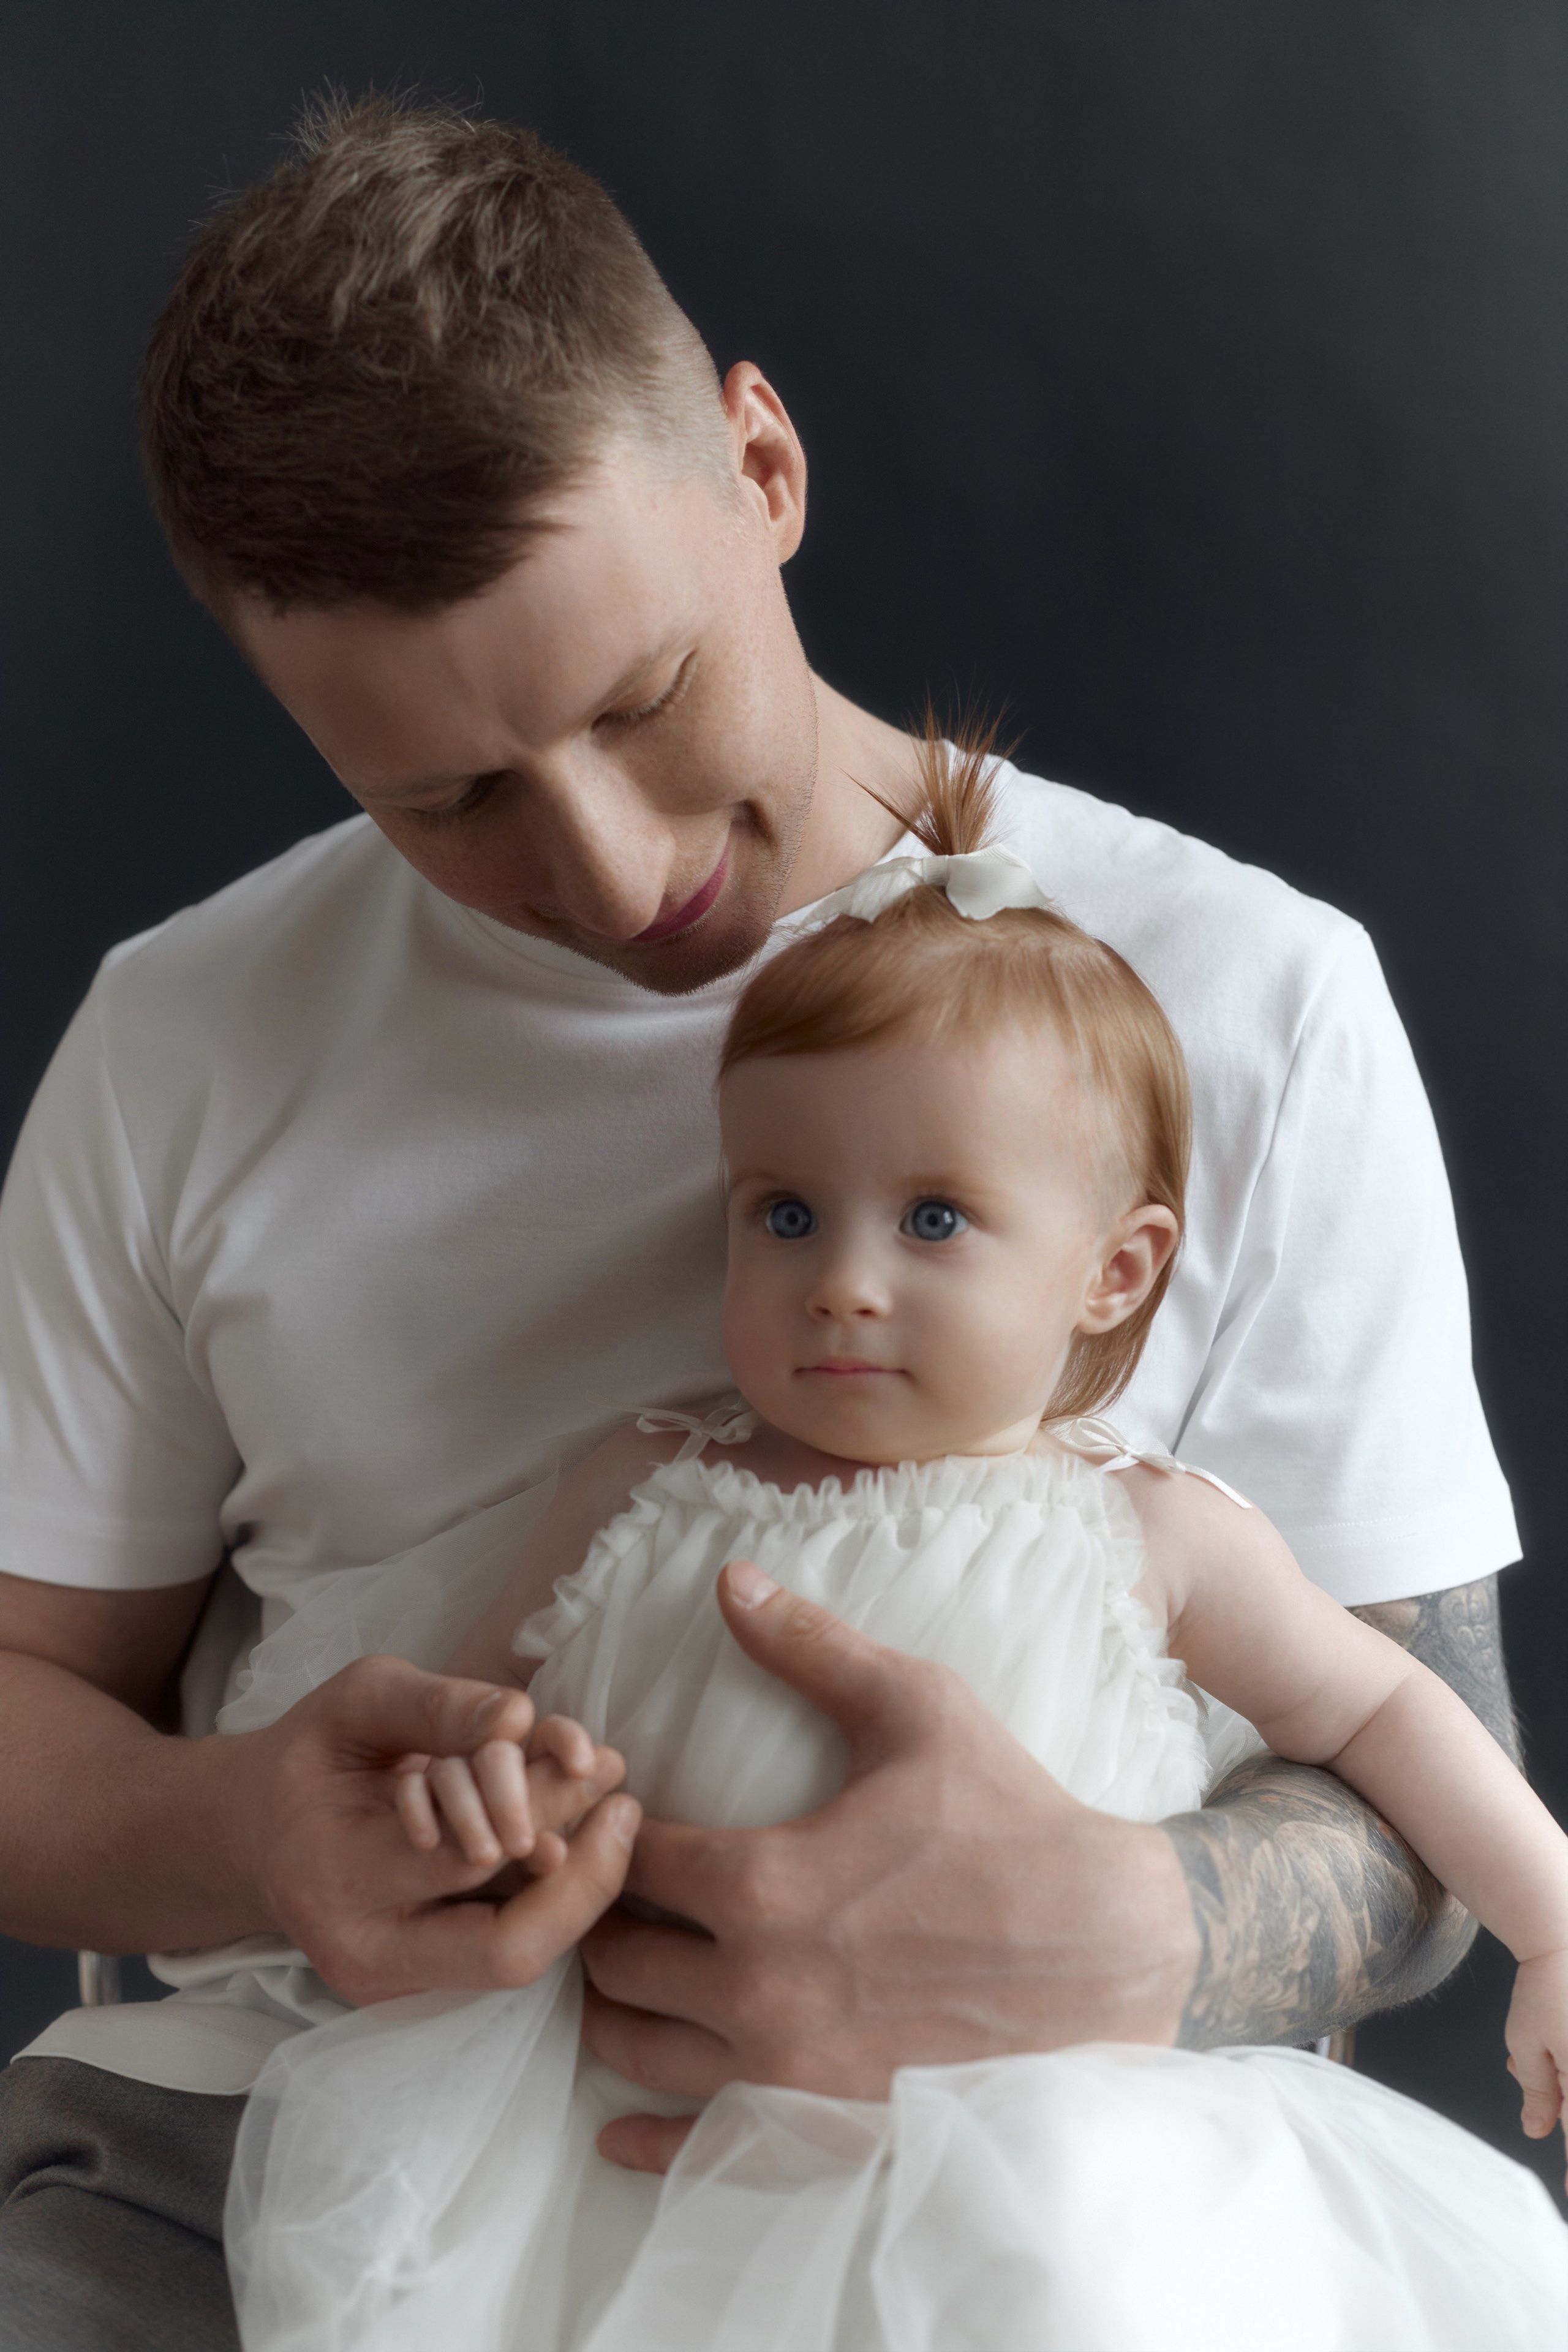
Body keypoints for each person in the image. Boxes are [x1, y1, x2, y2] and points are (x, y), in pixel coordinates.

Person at [0, 94, 1527, 2351]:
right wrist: (257, 1843)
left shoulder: (1250, 1003)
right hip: (297, 2142)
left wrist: (1130, 1933)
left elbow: (1423, 1765)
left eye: (640, 700)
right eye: (443, 800)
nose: (611, 877)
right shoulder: (185, 1035)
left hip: (1025, 2174)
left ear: (766, 469)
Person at [219, 748, 1568, 2350]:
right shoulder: (641, 1482)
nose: (842, 1282)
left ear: (1114, 1272)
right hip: (625, 2149)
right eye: (785, 1213)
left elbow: (1386, 1713)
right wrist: (479, 1799)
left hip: (1030, 2162)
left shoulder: (1147, 1530)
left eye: (933, 1221)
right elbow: (480, 1716)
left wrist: (1550, 1919)